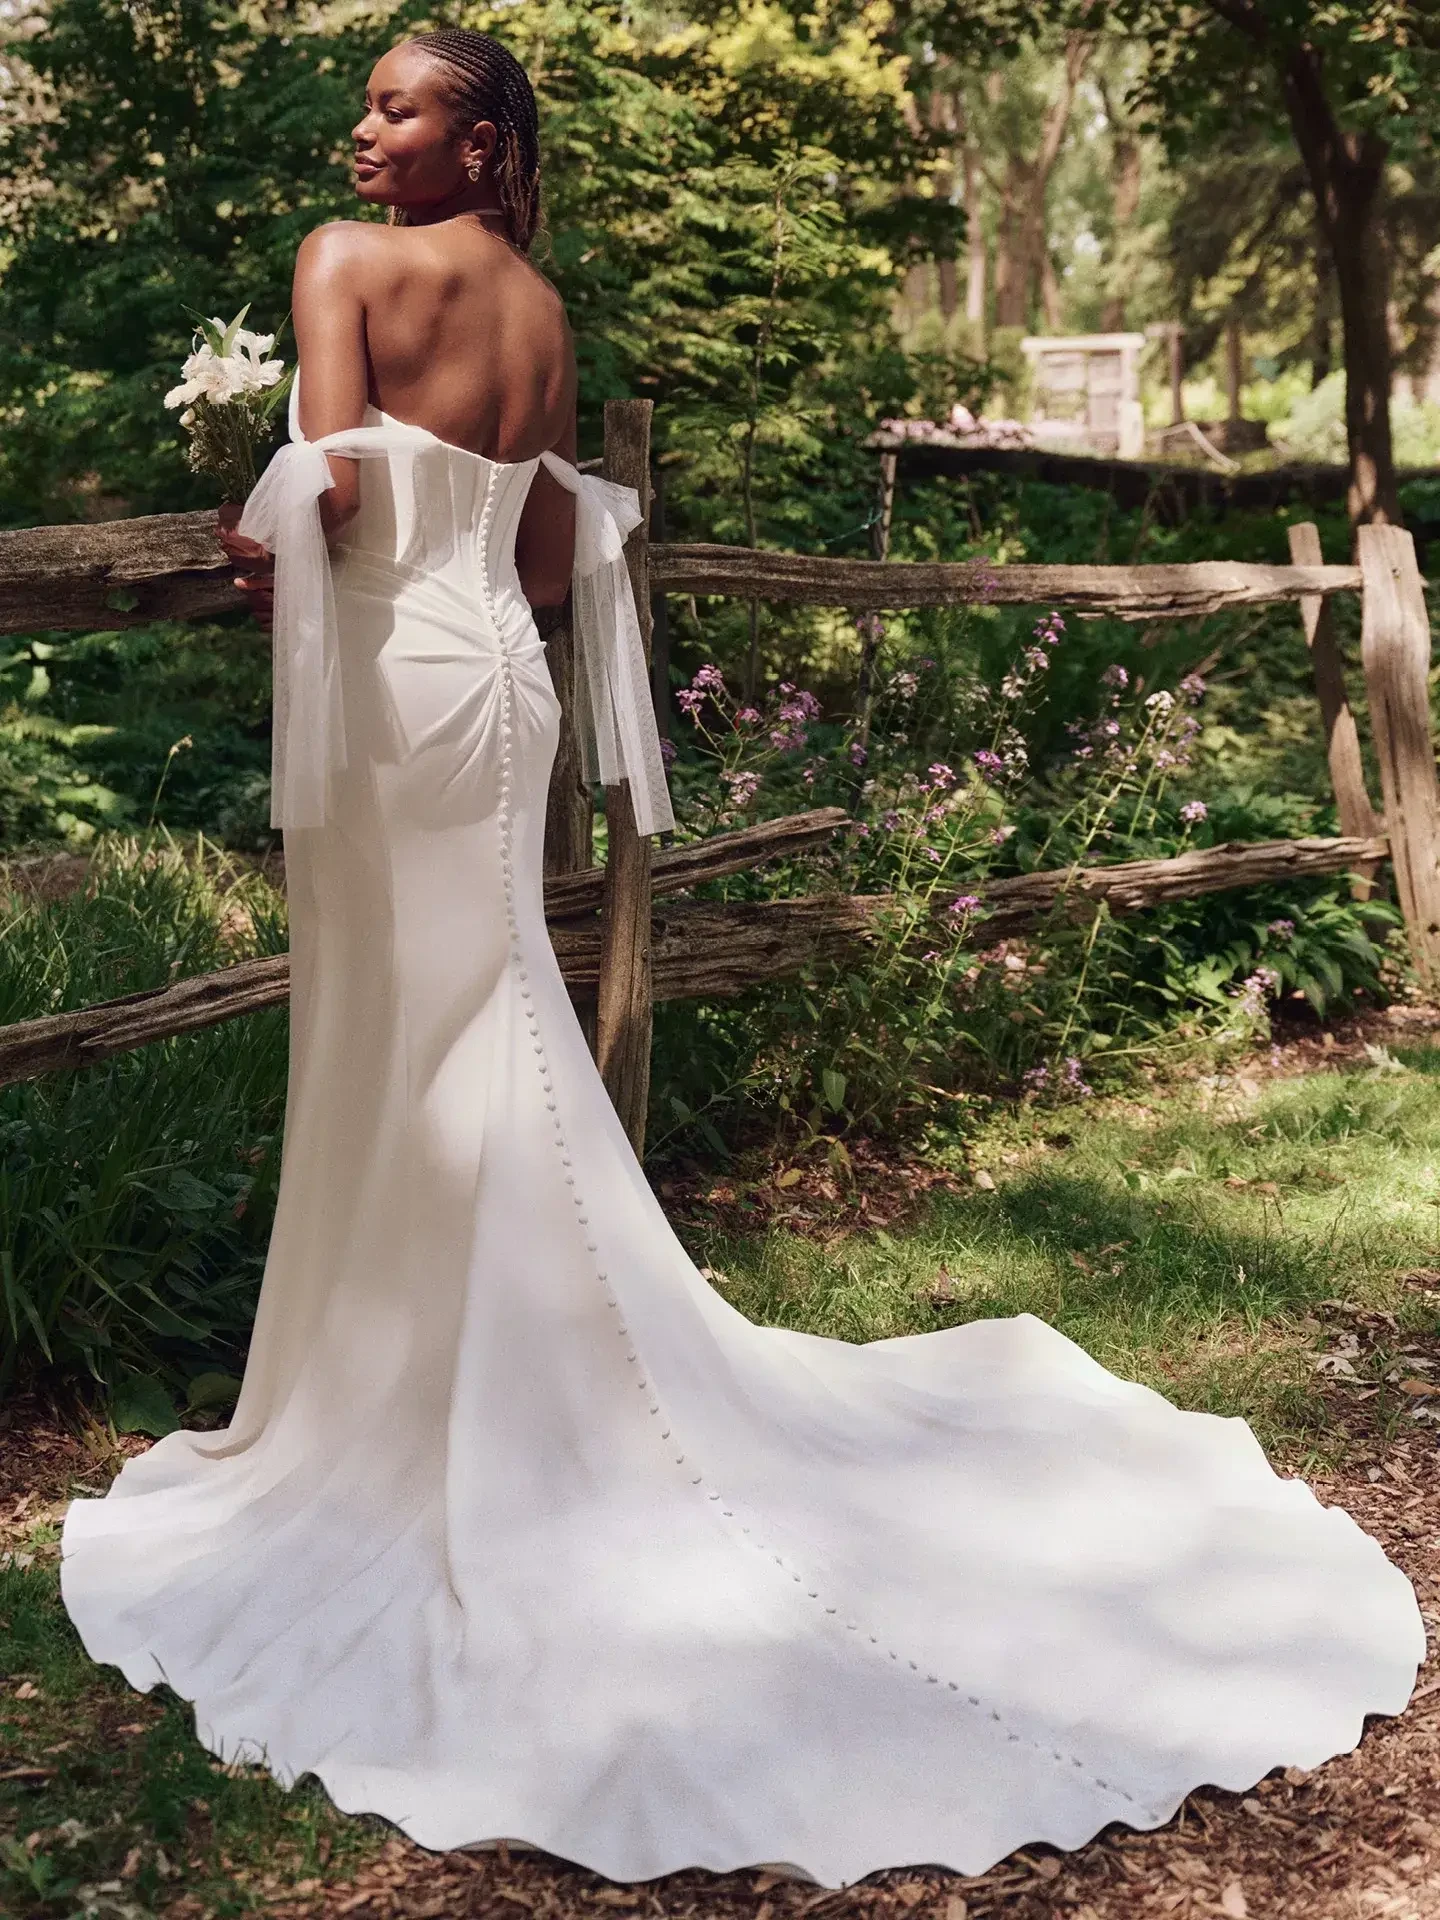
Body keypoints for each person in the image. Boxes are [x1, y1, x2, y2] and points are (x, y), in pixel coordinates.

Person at [60, 29, 1426, 1891]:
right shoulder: (536, 303)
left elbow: (346, 501)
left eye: (395, 105)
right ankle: (482, 1371)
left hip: (397, 684)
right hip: (499, 686)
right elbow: (540, 563)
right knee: (483, 1020)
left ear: (476, 134)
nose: (359, 131)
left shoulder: (337, 261)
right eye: (364, 107)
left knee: (406, 1039)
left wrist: (256, 526)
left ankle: (417, 1408)